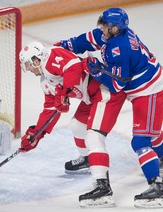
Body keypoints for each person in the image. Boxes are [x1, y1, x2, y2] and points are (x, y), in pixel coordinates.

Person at [54, 7, 163, 208]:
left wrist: (95, 70)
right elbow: (85, 40)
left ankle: (158, 188)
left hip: (149, 91)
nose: (101, 28)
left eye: (105, 26)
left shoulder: (121, 49)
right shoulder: (111, 34)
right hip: (142, 86)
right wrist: (58, 48)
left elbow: (116, 84)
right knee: (153, 135)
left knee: (141, 141)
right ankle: (160, 161)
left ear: (115, 29)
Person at [19, 41, 126, 207]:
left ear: (36, 59)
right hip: (91, 97)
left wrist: (65, 92)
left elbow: (74, 66)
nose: (28, 69)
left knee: (93, 136)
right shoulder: (45, 81)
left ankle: (103, 188)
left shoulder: (52, 55)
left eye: (28, 65)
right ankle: (86, 159)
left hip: (104, 90)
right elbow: (50, 109)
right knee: (77, 125)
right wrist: (36, 134)